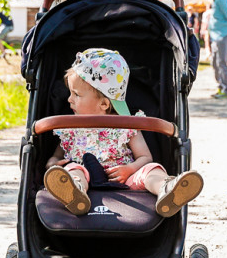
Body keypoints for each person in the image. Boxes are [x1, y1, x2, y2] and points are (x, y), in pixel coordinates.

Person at [42, 48, 203, 217]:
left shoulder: (126, 125)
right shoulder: (71, 127)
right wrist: (52, 163)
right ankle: (74, 193)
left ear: (104, 104)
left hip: (125, 178)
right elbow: (58, 155)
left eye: (76, 94)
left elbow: (145, 157)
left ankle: (167, 189)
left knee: (151, 170)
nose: (69, 99)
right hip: (86, 174)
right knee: (73, 169)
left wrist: (130, 169)